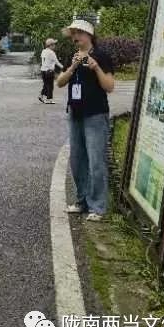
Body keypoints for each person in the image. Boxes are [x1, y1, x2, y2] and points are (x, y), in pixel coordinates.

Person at [56, 18, 115, 222]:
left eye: (78, 33)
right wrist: (72, 67)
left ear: (88, 34)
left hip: (96, 114)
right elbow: (60, 82)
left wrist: (96, 67)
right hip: (75, 114)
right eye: (73, 34)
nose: (75, 37)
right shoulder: (72, 57)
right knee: (77, 160)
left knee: (96, 160)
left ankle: (97, 206)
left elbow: (109, 86)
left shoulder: (101, 55)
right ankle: (82, 201)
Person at [39, 38, 63, 105]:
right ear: (51, 45)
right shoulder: (51, 53)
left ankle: (41, 96)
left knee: (46, 85)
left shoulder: (43, 51)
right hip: (49, 71)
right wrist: (64, 68)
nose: (55, 46)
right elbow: (57, 62)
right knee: (50, 86)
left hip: (43, 70)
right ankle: (49, 99)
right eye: (54, 45)